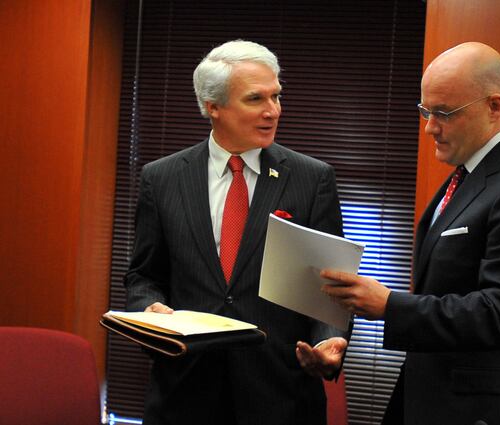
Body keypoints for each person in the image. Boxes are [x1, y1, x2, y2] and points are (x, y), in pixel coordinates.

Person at [321, 42, 500, 425]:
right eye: (425, 110)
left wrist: (390, 305)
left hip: (484, 409)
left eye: (443, 113)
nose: (429, 127)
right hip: (437, 397)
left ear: (495, 106)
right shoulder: (468, 176)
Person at [125, 40, 348, 425]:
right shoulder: (161, 179)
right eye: (255, 99)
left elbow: (329, 285)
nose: (272, 111)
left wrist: (327, 340)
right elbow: (144, 276)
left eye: (277, 96)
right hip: (185, 391)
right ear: (212, 106)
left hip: (280, 393)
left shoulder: (313, 179)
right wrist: (149, 310)